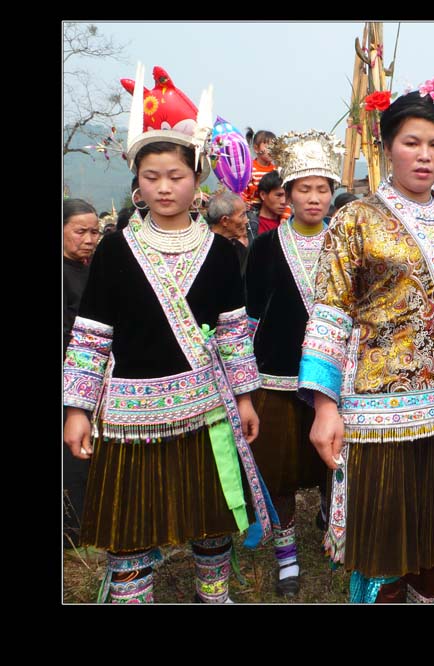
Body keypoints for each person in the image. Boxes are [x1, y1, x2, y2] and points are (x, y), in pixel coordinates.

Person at [299, 80, 434, 604]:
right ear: (387, 147)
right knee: (388, 553)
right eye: (411, 142)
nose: (424, 155)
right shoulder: (356, 219)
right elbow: (330, 312)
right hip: (377, 411)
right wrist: (325, 406)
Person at [63, 65, 270, 603]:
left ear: (196, 178)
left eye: (174, 176)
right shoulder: (114, 249)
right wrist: (77, 410)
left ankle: (214, 592)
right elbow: (90, 336)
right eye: (150, 176)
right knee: (130, 524)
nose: (162, 186)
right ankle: (134, 597)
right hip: (131, 412)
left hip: (204, 406)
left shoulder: (221, 253)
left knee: (209, 515)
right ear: (137, 180)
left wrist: (245, 396)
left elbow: (232, 335)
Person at [242, 130, 345, 597]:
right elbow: (249, 313)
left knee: (333, 460)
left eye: (322, 188)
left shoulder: (346, 240)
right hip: (277, 372)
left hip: (335, 375)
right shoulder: (265, 246)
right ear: (286, 195)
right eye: (303, 189)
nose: (314, 198)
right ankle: (286, 552)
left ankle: (333, 525)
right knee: (280, 469)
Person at [63, 199, 101, 548]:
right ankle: (72, 529)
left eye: (94, 232)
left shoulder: (93, 270)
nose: (89, 239)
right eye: (80, 231)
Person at [206, 191, 250, 274]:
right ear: (225, 220)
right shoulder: (204, 249)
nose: (246, 220)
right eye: (242, 215)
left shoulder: (240, 250)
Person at [242, 128, 278, 210]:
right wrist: (244, 202)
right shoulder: (249, 169)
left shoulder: (276, 171)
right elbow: (243, 190)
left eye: (274, 147)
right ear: (256, 148)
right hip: (252, 209)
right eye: (268, 147)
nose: (272, 150)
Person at [247, 170, 287, 238]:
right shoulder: (249, 224)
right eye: (279, 195)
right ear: (263, 195)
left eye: (287, 196)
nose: (284, 201)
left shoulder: (290, 223)